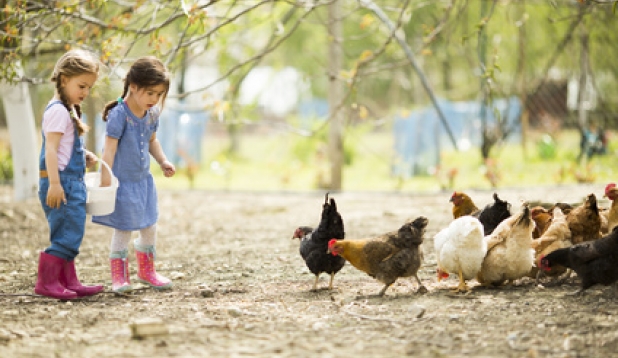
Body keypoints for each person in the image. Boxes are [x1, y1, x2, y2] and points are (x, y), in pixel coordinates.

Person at [93, 57, 176, 293]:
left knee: (150, 225)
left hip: (143, 183)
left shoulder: (151, 114)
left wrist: (162, 160)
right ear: (133, 87)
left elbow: (153, 141)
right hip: (123, 183)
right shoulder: (119, 115)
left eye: (158, 94)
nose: (154, 99)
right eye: (150, 93)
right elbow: (108, 150)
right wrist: (105, 179)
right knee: (124, 228)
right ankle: (119, 276)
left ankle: (146, 270)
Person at [36, 49, 104, 300]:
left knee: (72, 231)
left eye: (88, 88)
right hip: (60, 183)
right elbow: (50, 151)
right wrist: (54, 183)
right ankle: (47, 282)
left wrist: (82, 154)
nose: (85, 93)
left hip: (71, 182)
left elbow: (64, 147)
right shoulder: (57, 111)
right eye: (81, 86)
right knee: (66, 234)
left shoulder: (70, 109)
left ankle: (68, 280)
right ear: (64, 79)